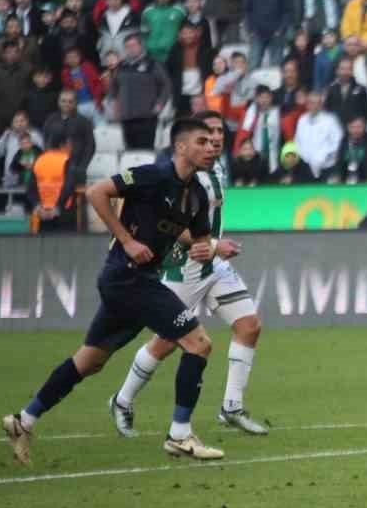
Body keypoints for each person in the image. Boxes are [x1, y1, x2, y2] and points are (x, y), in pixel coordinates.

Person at [2, 119, 225, 465]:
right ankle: (180, 435)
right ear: (181, 147)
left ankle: (23, 420)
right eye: (202, 141)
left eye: (213, 142)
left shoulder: (196, 194)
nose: (211, 147)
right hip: (127, 277)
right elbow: (97, 192)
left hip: (138, 280)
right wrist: (127, 240)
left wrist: (205, 249)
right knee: (199, 343)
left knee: (89, 361)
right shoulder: (153, 175)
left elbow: (198, 241)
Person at [110, 112, 268, 439]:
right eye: (208, 134)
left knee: (249, 325)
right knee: (166, 342)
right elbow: (172, 224)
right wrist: (213, 245)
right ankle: (122, 400)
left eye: (219, 132)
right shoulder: (183, 174)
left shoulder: (218, 168)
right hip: (183, 267)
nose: (216, 139)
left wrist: (213, 248)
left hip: (213, 264)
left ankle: (232, 407)